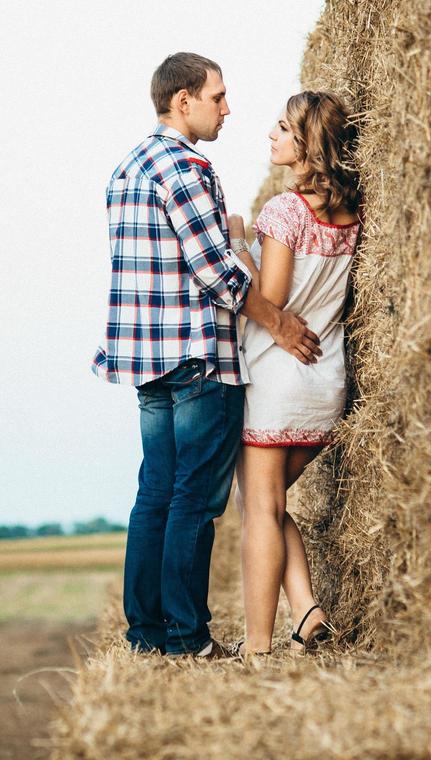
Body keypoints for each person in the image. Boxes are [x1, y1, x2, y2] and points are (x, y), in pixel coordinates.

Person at [93, 53, 321, 660]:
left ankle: (146, 633)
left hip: (144, 359)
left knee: (155, 494)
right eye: (217, 97)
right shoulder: (188, 167)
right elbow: (218, 273)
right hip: (198, 358)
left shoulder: (127, 167)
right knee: (194, 499)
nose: (227, 108)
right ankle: (188, 637)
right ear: (183, 100)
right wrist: (282, 325)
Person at [227, 90, 362, 656]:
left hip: (276, 376)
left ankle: (257, 645)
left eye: (283, 129)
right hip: (325, 381)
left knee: (259, 509)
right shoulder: (352, 213)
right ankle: (306, 609)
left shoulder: (285, 212)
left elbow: (272, 298)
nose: (272, 136)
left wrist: (237, 243)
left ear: (307, 145)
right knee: (271, 504)